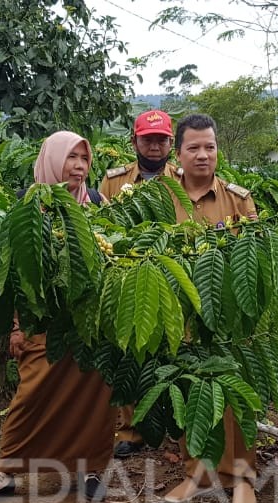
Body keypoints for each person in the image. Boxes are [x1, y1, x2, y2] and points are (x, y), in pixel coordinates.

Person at [0, 130, 113, 503]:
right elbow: (14, 272)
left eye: (84, 159)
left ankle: (90, 468)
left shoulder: (95, 203)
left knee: (94, 399)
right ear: (52, 159)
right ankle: (4, 473)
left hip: (89, 323)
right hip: (41, 321)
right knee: (32, 396)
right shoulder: (28, 204)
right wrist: (16, 326)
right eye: (71, 158)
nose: (79, 167)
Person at [159, 114, 260, 503]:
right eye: (194, 148)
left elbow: (255, 259)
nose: (203, 155)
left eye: (210, 147)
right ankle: (196, 474)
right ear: (178, 153)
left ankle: (241, 478)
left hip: (230, 320)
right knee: (189, 393)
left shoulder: (238, 198)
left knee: (234, 397)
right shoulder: (161, 197)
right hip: (180, 316)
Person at [99, 109, 180, 459]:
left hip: (170, 272)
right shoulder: (114, 181)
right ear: (134, 141)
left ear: (171, 143)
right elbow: (100, 223)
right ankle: (130, 429)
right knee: (129, 350)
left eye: (161, 139)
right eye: (147, 139)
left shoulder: (183, 178)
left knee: (171, 348)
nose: (154, 145)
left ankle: (173, 423)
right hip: (126, 274)